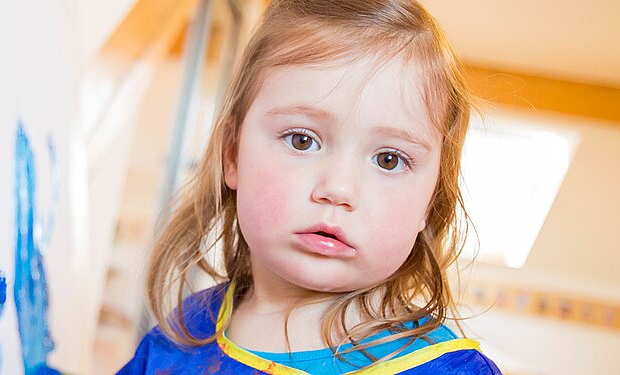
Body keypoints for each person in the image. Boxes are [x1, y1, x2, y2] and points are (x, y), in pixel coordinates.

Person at [119, 0, 501, 373]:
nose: (339, 189)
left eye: (389, 160)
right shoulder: (186, 328)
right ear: (233, 154)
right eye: (302, 140)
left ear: (429, 202)